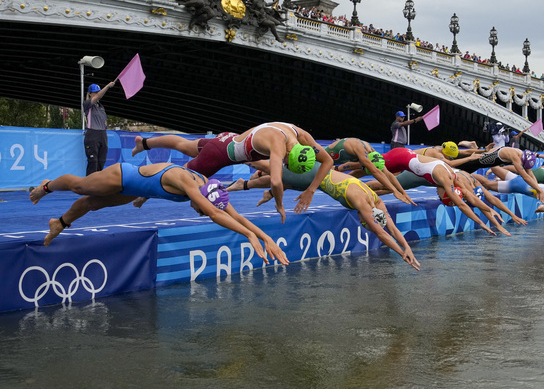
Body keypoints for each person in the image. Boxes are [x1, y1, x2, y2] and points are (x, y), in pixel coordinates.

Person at [28, 163, 288, 265]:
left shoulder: (211, 187)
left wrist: (265, 237)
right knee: (80, 186)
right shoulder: (191, 185)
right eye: (200, 210)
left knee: (92, 204)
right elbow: (214, 214)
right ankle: (47, 186)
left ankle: (59, 223)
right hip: (123, 175)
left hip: (139, 188)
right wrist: (248, 237)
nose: (198, 213)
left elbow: (235, 216)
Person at [229, 161, 421, 270]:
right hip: (313, 176)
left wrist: (406, 248)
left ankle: (247, 185)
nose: (362, 222)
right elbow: (382, 233)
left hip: (317, 176)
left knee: (285, 182)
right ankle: (236, 154)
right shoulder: (362, 203)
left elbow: (392, 228)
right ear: (368, 217)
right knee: (274, 171)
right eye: (365, 224)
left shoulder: (376, 202)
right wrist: (401, 253)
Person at [132, 122, 333, 222]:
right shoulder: (279, 147)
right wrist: (279, 205)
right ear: (289, 155)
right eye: (287, 164)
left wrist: (311, 190)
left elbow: (328, 160)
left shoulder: (301, 136)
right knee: (183, 180)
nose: (284, 165)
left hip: (226, 139)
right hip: (221, 155)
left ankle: (144, 143)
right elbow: (277, 182)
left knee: (184, 145)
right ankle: (144, 192)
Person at [83, 81, 116, 175]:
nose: (97, 94)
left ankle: (97, 185)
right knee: (93, 162)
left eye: (98, 92)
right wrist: (107, 86)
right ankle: (89, 185)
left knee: (101, 161)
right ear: (90, 94)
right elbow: (98, 97)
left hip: (102, 134)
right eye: (95, 92)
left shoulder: (101, 107)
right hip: (93, 134)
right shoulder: (87, 104)